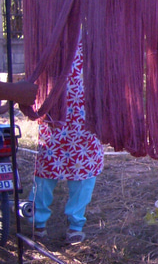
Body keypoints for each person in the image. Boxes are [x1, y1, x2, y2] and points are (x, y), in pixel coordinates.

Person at [29, 42, 103, 244]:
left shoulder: (95, 34)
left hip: (86, 118)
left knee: (83, 173)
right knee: (45, 171)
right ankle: (38, 222)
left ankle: (75, 225)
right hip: (54, 116)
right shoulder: (50, 34)